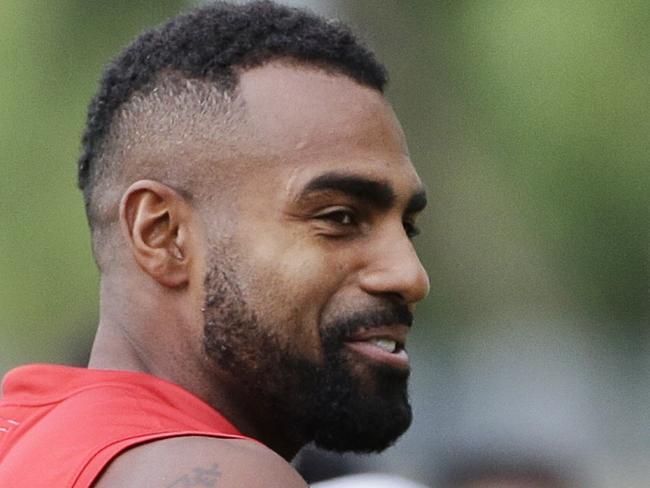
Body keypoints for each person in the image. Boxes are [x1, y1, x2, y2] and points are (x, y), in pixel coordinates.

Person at [0, 1, 429, 486]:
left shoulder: (24, 440)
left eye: (407, 227)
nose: (410, 276)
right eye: (339, 218)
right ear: (163, 235)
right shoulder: (223, 476)